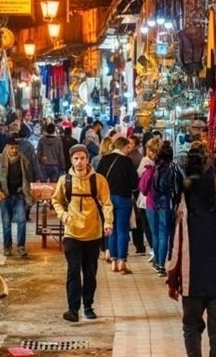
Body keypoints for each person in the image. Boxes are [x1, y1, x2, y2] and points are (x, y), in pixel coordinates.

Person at [166, 145, 216, 357]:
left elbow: (176, 251)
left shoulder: (186, 215)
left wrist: (172, 281)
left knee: (191, 328)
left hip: (191, 286)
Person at [52, 144, 114, 323]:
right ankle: (73, 309)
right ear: (71, 160)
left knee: (89, 273)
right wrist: (64, 216)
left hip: (93, 234)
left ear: (88, 159)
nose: (79, 162)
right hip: (72, 234)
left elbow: (107, 203)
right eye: (76, 158)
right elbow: (56, 201)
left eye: (82, 158)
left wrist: (108, 222)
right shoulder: (65, 181)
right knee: (73, 271)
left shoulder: (98, 180)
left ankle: (88, 305)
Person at [96, 136, 139, 274]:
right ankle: (122, 262)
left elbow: (98, 180)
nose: (129, 151)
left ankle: (113, 262)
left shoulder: (104, 160)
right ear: (123, 147)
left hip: (107, 199)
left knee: (111, 228)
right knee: (122, 230)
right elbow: (134, 183)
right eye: (128, 148)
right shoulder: (127, 162)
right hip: (123, 198)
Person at [143, 142, 182, 276]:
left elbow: (143, 187)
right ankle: (161, 265)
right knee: (164, 235)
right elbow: (176, 188)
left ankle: (157, 262)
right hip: (165, 204)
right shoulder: (172, 168)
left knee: (155, 234)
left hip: (150, 203)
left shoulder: (151, 167)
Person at [0, 135, 34, 258]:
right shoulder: (0, 159)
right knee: (6, 222)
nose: (14, 150)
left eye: (16, 148)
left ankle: (21, 246)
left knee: (21, 220)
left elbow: (28, 176)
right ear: (7, 148)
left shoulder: (23, 160)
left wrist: (27, 190)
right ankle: (7, 247)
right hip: (5, 195)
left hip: (19, 195)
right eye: (12, 148)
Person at [137, 137, 162, 265]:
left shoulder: (147, 163)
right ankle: (161, 259)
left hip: (148, 200)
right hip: (162, 202)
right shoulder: (165, 163)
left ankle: (156, 255)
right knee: (161, 232)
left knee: (152, 230)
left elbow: (141, 181)